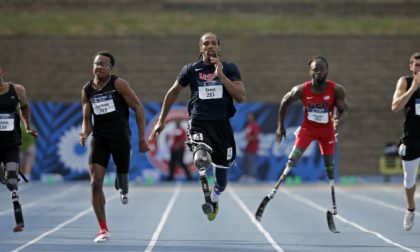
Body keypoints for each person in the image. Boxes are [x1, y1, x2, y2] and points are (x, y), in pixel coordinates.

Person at [149, 32, 246, 221]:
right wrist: (161, 120)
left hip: (222, 127)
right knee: (201, 157)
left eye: (213, 43)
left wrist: (221, 76)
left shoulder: (230, 68)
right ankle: (201, 160)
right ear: (200, 48)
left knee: (222, 182)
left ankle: (214, 198)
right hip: (199, 122)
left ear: (219, 47)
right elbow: (173, 91)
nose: (210, 46)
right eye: (205, 43)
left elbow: (241, 96)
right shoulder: (191, 69)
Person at [79, 51, 150, 243]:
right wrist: (85, 133)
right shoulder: (87, 90)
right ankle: (103, 229)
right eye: (96, 63)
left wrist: (142, 138)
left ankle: (123, 186)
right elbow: (87, 119)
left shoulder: (119, 84)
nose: (99, 67)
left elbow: (138, 108)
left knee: (123, 185)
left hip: (121, 139)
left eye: (103, 64)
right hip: (100, 140)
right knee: (95, 183)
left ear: (110, 68)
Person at [275, 56, 348, 212]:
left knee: (329, 165)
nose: (318, 72)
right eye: (315, 69)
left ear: (327, 71)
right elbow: (284, 101)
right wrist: (280, 126)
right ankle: (275, 189)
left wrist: (338, 120)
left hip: (327, 130)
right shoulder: (301, 90)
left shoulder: (336, 90)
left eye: (321, 69)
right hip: (308, 128)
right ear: (310, 72)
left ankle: (333, 199)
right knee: (293, 158)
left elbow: (344, 110)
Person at [0, 65, 38, 232]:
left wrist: (28, 127)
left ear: (1, 71)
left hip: (11, 144)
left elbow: (25, 107)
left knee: (13, 179)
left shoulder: (17, 90)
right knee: (6, 175)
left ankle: (18, 215)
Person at [391, 52, 420, 231]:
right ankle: (410, 209)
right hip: (412, 138)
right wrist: (413, 88)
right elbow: (395, 107)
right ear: (411, 67)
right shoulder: (405, 82)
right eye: (416, 66)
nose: (419, 69)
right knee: (409, 180)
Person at [241, 111, 260, 182]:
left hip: (252, 148)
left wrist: (248, 138)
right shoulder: (248, 125)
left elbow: (256, 137)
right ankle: (246, 176)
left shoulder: (255, 126)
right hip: (246, 148)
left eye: (250, 115)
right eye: (248, 115)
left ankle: (252, 177)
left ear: (253, 117)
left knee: (252, 162)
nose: (249, 117)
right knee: (245, 163)